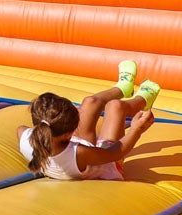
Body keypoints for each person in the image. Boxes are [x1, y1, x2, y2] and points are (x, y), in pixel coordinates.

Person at [17, 60, 160, 181]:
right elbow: (116, 153)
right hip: (107, 163)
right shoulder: (78, 153)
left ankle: (124, 88)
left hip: (75, 153)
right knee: (116, 106)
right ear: (70, 134)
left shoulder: (24, 136)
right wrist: (136, 129)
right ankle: (143, 100)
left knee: (90, 102)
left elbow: (24, 130)